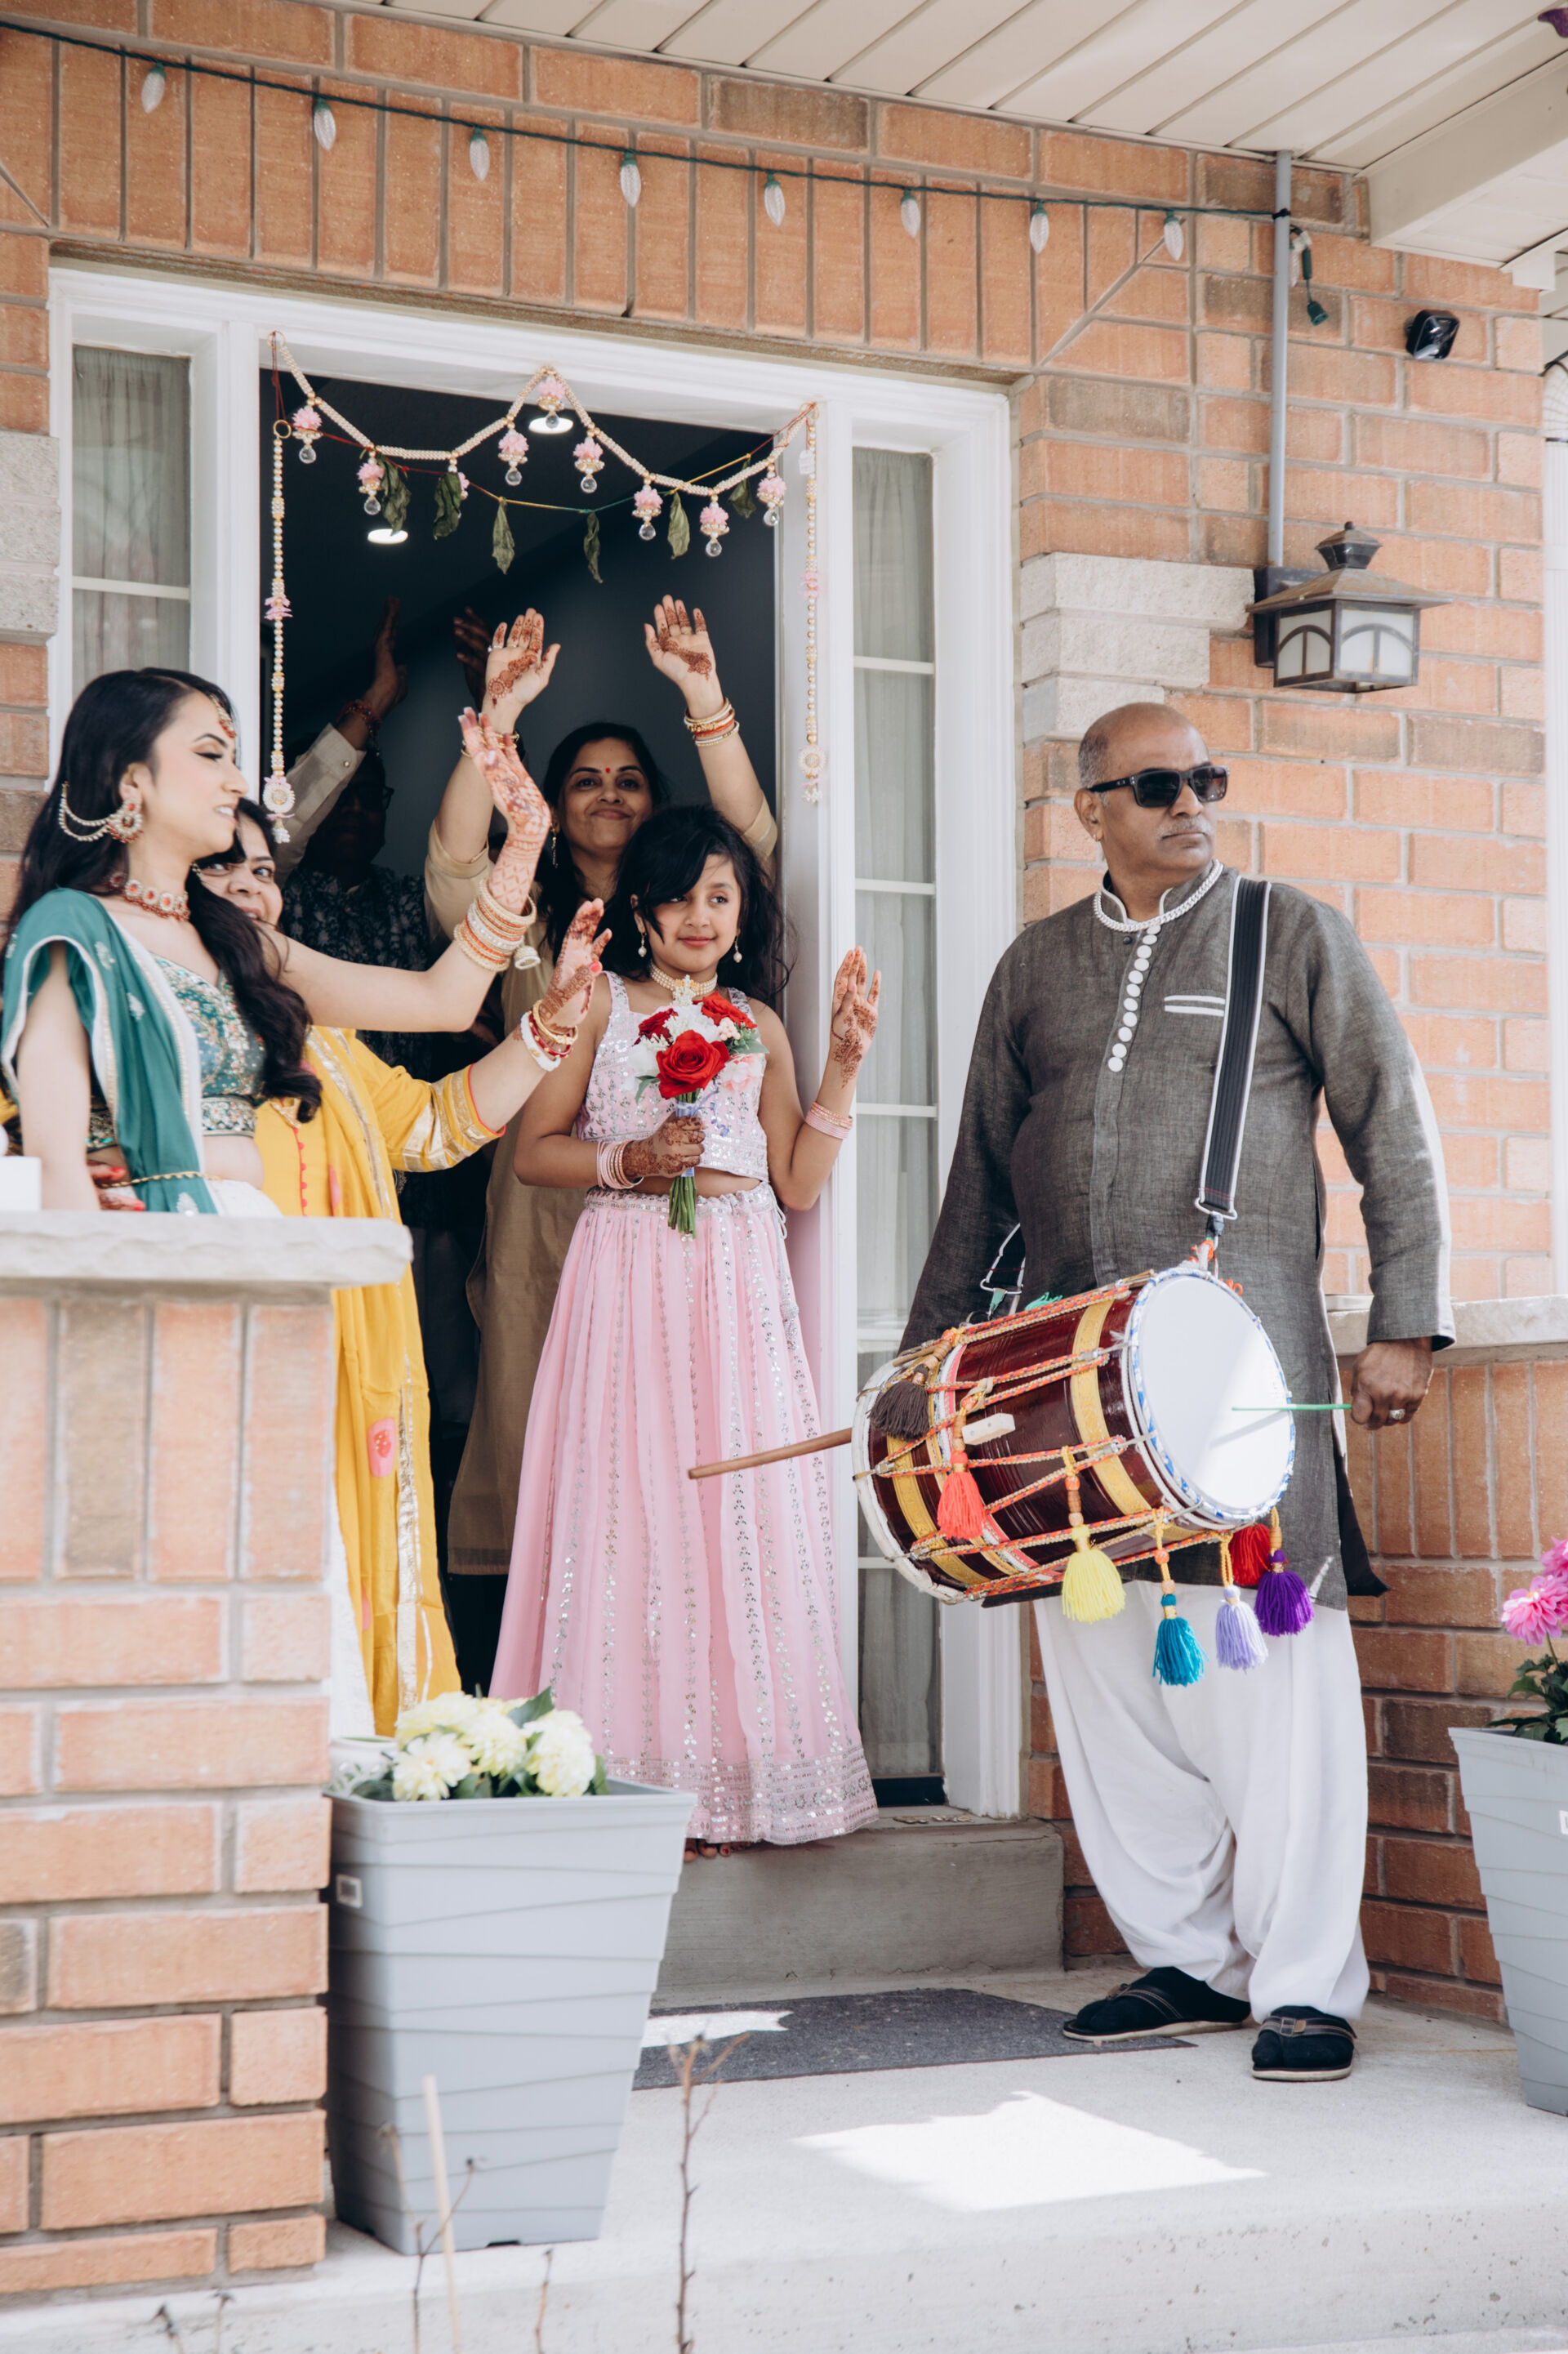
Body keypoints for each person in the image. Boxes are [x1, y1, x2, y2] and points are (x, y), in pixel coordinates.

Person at [897, 701, 1452, 2084]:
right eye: (1155, 785)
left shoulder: (1286, 930)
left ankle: (1305, 1984)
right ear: (1089, 807)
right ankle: (1187, 1958)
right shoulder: (1034, 967)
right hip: (1065, 1397)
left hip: (1242, 1378)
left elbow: (1393, 1121)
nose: (1189, 802)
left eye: (1204, 777)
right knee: (1115, 1680)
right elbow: (979, 1177)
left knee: (1271, 1685)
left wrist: (1408, 1322)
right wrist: (928, 1370)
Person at [490, 806, 880, 1852]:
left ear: (742, 911)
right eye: (679, 896)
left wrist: (844, 1065)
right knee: (632, 1503)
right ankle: (629, 1775)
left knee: (736, 1509)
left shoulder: (759, 1022)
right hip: (629, 1269)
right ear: (641, 907)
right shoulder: (599, 1004)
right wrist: (632, 1161)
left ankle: (738, 1784)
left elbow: (798, 1180)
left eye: (720, 895)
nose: (700, 915)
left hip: (740, 1277)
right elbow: (535, 1150)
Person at [195, 796, 605, 1736]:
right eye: (223, 866)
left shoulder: (321, 1040)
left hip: (357, 1353)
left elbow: (434, 1124)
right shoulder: (164, 1033)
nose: (252, 889)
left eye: (264, 871)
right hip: (240, 1357)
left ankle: (369, 1767)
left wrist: (548, 1023)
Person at [424, 598, 778, 1679]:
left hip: (687, 1237)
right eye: (586, 779)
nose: (610, 794)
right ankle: (537, 1676)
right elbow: (452, 861)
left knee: (670, 1443)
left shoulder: (696, 914)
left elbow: (757, 840)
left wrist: (704, 699)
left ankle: (666, 1674)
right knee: (537, 1432)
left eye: (629, 778)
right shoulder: (524, 915)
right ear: (552, 798)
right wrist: (497, 719)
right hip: (547, 1207)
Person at [2, 671, 546, 1219]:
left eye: (233, 760)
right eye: (210, 755)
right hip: (147, 1245)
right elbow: (56, 1169)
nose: (237, 781)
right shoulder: (72, 933)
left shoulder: (238, 945)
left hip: (252, 1237)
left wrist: (524, 845)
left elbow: (444, 1001)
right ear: (131, 779)